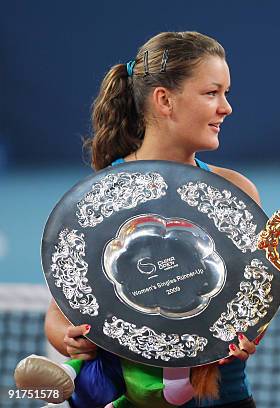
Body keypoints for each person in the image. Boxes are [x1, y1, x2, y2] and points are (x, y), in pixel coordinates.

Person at [19, 31, 259, 408]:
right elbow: (59, 316)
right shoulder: (96, 200)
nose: (226, 107)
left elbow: (251, 299)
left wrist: (248, 333)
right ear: (165, 100)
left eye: (225, 93)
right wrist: (70, 339)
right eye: (212, 93)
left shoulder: (237, 191)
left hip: (223, 398)